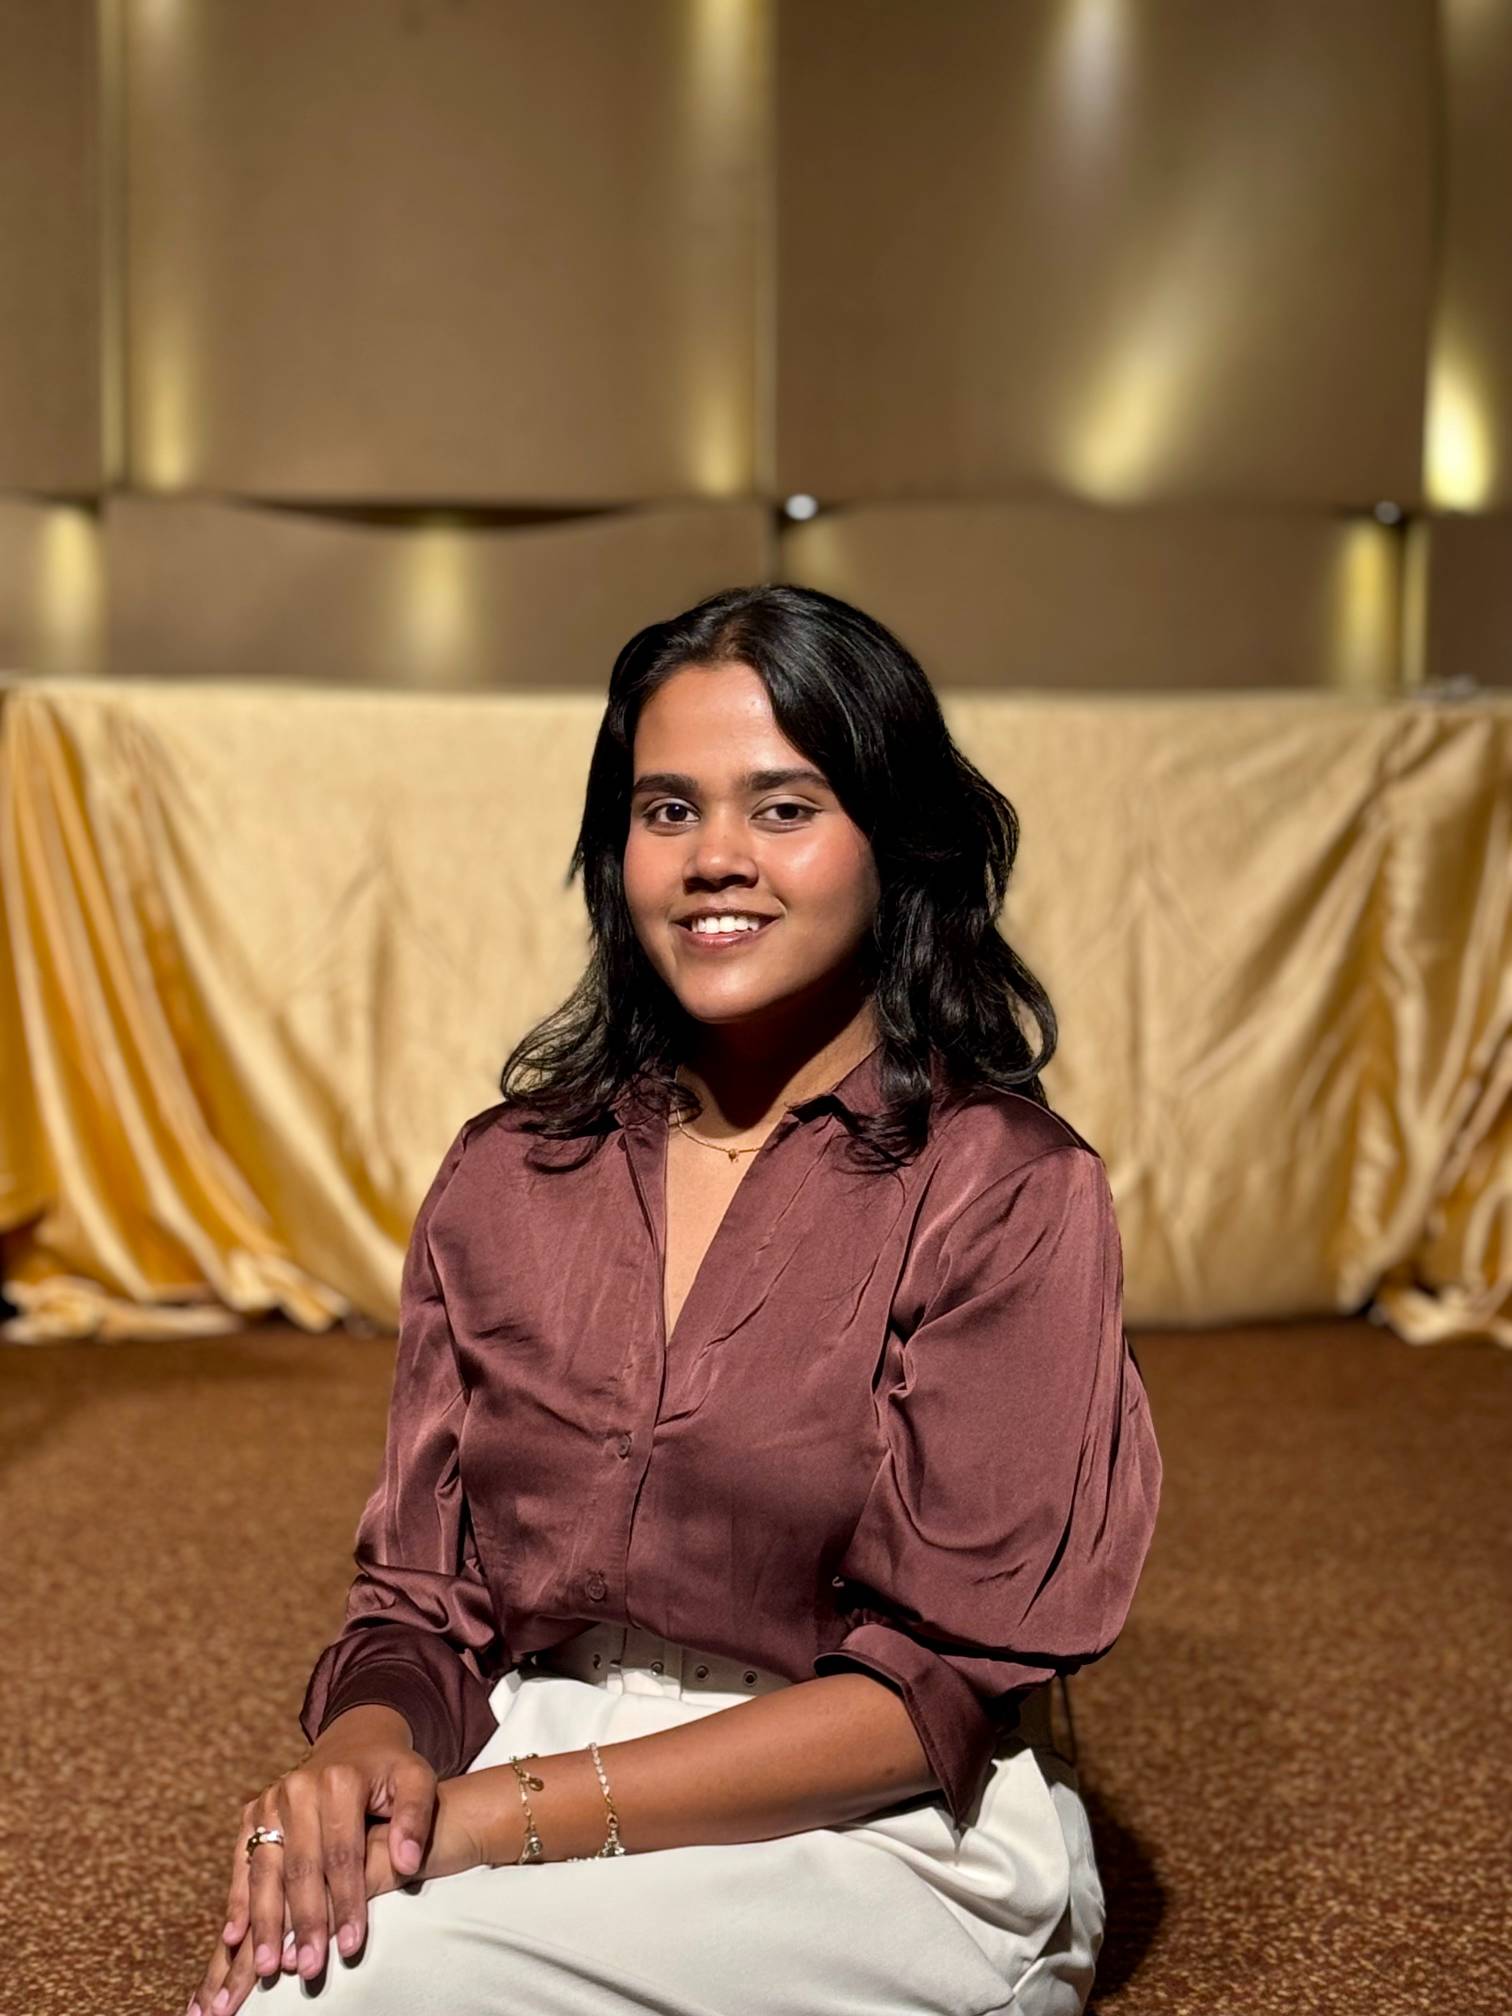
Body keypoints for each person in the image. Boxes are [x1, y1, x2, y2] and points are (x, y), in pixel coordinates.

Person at [186, 582, 1162, 2016]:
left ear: (892, 844)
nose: (715, 858)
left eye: (783, 809)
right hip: (539, 1738)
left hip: (870, 1822)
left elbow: (926, 1693)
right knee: (310, 1973)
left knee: (364, 1986)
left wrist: (476, 1824)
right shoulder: (508, 1173)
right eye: (665, 811)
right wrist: (364, 1759)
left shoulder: (1006, 1186)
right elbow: (420, 1600)